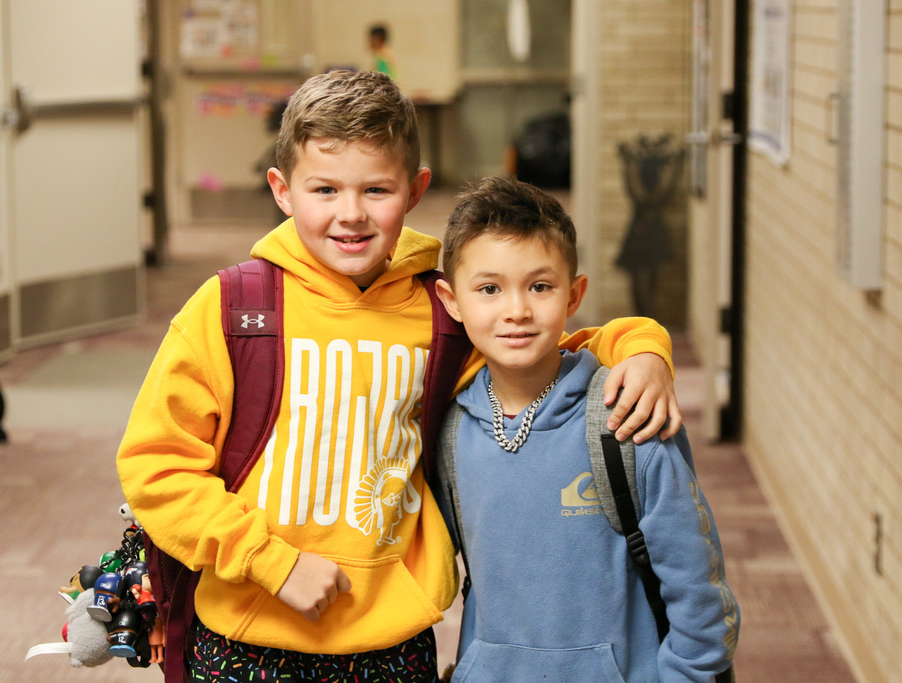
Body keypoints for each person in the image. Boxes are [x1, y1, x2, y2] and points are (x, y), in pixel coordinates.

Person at [116, 71, 681, 682]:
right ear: (282, 191)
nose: (351, 214)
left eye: (376, 189)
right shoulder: (231, 309)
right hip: (247, 638)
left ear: (415, 190)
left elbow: (545, 346)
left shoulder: (440, 313)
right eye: (324, 189)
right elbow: (157, 467)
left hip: (392, 645)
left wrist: (644, 348)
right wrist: (270, 562)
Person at [433, 176, 739, 682]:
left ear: (574, 294)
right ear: (451, 300)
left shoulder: (626, 416)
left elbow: (699, 594)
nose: (516, 311)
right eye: (489, 289)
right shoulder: (450, 431)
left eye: (540, 286)